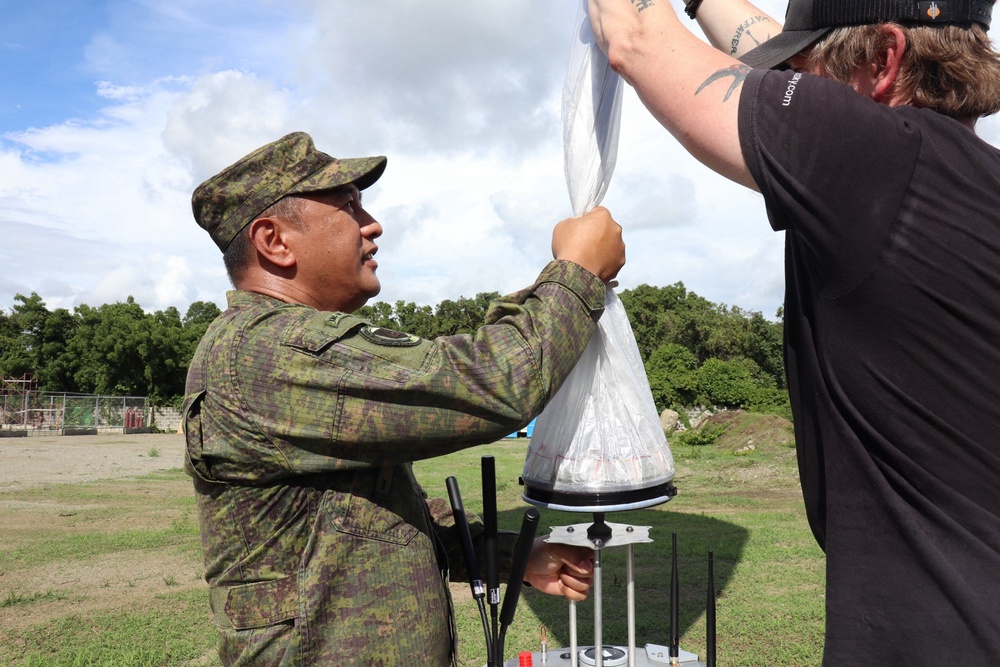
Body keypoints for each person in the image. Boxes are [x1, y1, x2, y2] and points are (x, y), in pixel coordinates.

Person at [587, 0, 1000, 662]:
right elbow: (771, 49)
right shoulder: (962, 186)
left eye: (810, 72)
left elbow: (635, 36)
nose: (797, 87)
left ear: (885, 59)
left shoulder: (872, 157)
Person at [183, 131, 626, 666]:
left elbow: (373, 518)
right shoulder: (268, 351)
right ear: (274, 241)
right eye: (348, 207)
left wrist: (516, 556)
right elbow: (493, 384)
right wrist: (577, 272)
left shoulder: (282, 350)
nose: (372, 224)